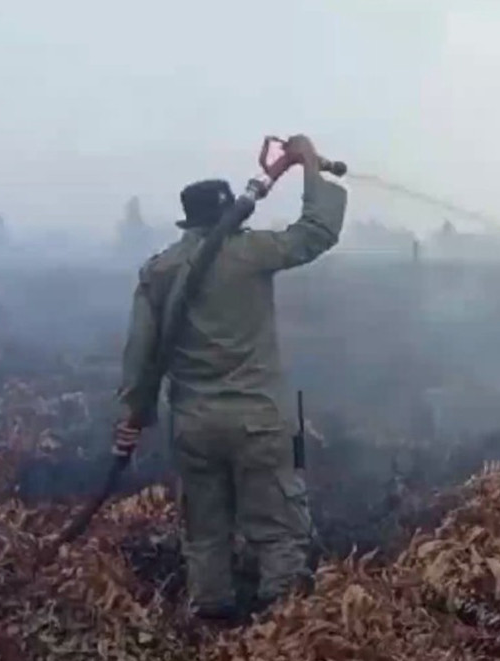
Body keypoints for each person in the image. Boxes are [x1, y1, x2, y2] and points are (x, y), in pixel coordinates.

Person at [113, 135, 347, 622]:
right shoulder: (249, 252)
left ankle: (211, 629)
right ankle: (286, 635)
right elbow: (317, 231)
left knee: (206, 534)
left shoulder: (158, 271)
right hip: (258, 422)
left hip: (194, 426)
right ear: (228, 217)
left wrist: (135, 413)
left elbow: (139, 356)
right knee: (278, 530)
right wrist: (309, 167)